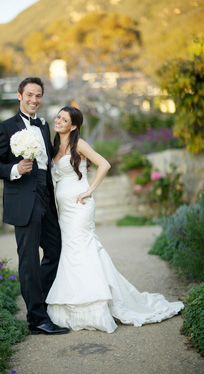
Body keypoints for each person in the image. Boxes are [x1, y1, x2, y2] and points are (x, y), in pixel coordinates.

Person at [46, 105, 184, 332]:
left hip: (80, 208)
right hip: (64, 212)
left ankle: (95, 308)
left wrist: (90, 190)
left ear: (74, 125)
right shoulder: (54, 146)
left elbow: (105, 164)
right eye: (58, 117)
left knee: (83, 250)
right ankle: (73, 305)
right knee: (70, 253)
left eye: (64, 119)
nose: (59, 120)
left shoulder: (78, 144)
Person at [0, 77, 69, 335]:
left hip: (45, 196)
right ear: (19, 96)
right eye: (30, 95)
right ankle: (37, 320)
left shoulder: (44, 126)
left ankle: (40, 304)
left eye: (39, 95)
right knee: (29, 260)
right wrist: (15, 169)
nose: (34, 100)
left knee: (56, 249)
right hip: (23, 199)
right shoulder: (5, 127)